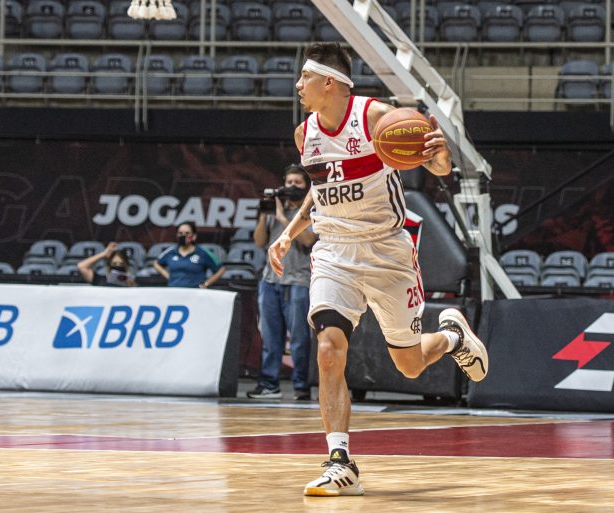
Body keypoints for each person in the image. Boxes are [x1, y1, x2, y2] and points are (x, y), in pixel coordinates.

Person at [268, 42, 489, 497]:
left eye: (305, 78)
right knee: (328, 349)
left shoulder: (377, 119)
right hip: (334, 252)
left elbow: (436, 165)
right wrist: (289, 232)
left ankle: (452, 338)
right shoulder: (304, 134)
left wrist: (440, 155)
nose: (298, 86)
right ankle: (340, 462)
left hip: (387, 251)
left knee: (409, 365)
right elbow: (320, 188)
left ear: (330, 82)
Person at [247, 164, 316, 401]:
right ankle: (269, 384)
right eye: (289, 182)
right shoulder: (277, 208)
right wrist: (264, 215)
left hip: (298, 280)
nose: (292, 187)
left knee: (299, 338)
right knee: (270, 337)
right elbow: (259, 242)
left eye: (297, 182)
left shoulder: (311, 211)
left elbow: (308, 240)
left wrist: (283, 219)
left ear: (306, 186)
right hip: (270, 279)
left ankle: (301, 386)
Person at [154, 222, 226, 288]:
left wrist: (206, 284)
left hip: (195, 293)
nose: (183, 236)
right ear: (177, 235)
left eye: (187, 233)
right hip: (174, 291)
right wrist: (168, 275)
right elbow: (156, 263)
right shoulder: (171, 251)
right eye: (180, 233)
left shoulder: (203, 252)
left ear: (194, 236)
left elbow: (221, 269)